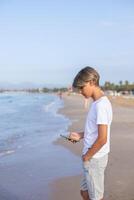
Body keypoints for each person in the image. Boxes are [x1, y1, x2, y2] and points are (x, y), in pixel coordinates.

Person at [69, 66, 113, 200]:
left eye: (82, 88)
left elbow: (102, 138)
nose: (80, 92)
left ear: (92, 82)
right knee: (85, 193)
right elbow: (95, 131)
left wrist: (87, 157)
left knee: (96, 197)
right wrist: (81, 135)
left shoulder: (101, 106)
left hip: (94, 158)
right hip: (92, 157)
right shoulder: (96, 103)